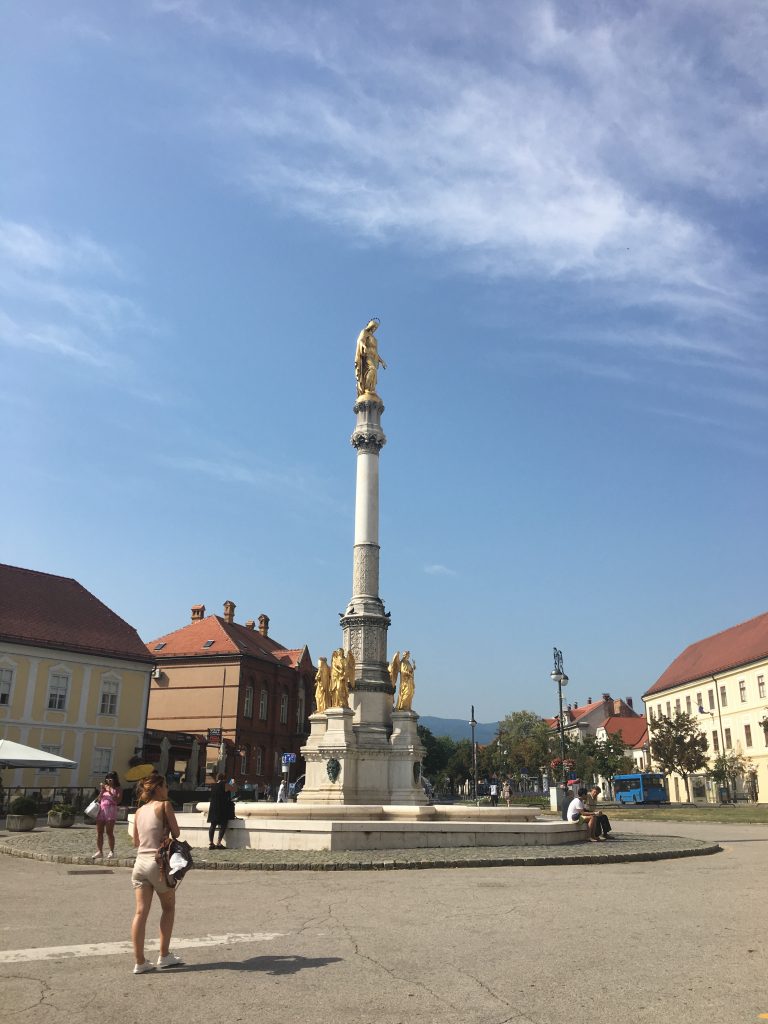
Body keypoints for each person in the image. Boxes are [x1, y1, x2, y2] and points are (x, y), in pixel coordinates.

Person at [130, 772, 184, 974]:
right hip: (158, 864)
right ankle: (164, 955)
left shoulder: (139, 811)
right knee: (168, 908)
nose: (168, 789)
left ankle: (140, 961)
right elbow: (177, 833)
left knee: (140, 912)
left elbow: (136, 842)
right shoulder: (164, 805)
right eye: (166, 786)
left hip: (139, 864)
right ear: (159, 787)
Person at [92, 771, 122, 860]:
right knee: (99, 832)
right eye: (107, 778)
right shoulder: (104, 787)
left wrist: (110, 791)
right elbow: (98, 799)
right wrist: (102, 791)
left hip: (111, 812)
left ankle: (112, 851)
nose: (109, 780)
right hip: (101, 811)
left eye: (111, 778)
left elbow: (118, 800)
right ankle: (99, 851)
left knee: (109, 832)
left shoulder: (118, 788)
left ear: (114, 779)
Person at [206, 773, 235, 849]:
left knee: (213, 825)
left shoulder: (213, 785)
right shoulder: (224, 784)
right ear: (224, 778)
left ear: (217, 778)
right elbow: (233, 789)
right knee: (223, 824)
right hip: (222, 808)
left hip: (213, 807)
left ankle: (211, 843)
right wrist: (232, 782)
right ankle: (218, 843)